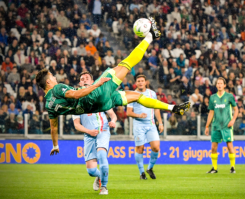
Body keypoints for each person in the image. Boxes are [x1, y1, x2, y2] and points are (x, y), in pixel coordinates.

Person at [35, 17, 190, 155]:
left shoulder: (49, 106)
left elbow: (54, 128)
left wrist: (55, 145)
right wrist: (97, 85)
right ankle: (150, 37)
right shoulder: (56, 88)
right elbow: (76, 95)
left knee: (137, 97)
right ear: (48, 82)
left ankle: (173, 108)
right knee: (127, 63)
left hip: (99, 106)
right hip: (95, 95)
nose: (55, 78)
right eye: (53, 78)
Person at [72, 71, 117, 195]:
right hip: (88, 135)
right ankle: (99, 176)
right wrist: (89, 131)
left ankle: (104, 187)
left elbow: (113, 115)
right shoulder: (76, 103)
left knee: (102, 156)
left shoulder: (100, 97)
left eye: (87, 78)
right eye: (82, 79)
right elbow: (77, 125)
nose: (85, 80)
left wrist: (113, 121)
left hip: (102, 130)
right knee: (91, 171)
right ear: (80, 83)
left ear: (92, 82)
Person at [127, 75, 163, 180]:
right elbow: (129, 112)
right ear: (136, 83)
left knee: (156, 147)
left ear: (146, 82)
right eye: (138, 81)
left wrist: (160, 122)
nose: (140, 82)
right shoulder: (132, 95)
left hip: (151, 124)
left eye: (142, 81)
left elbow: (156, 108)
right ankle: (142, 173)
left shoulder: (152, 94)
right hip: (138, 124)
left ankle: (150, 168)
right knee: (140, 148)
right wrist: (139, 115)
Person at [205, 77, 238, 174]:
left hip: (227, 126)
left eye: (221, 83)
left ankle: (232, 167)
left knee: (229, 146)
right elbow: (211, 113)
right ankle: (214, 168)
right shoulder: (212, 98)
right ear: (216, 85)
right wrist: (207, 126)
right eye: (218, 83)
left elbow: (236, 109)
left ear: (224, 85)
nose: (219, 85)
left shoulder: (229, 96)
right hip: (216, 126)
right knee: (213, 148)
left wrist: (233, 120)